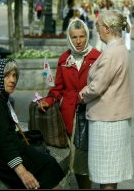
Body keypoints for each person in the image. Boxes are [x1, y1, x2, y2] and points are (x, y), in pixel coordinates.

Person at [0, 58, 65, 189]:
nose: (13, 80)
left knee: (45, 160)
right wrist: (22, 172)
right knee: (44, 166)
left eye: (14, 76)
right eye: (7, 75)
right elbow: (4, 140)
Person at [38, 19, 101, 189]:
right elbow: (57, 89)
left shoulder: (97, 57)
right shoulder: (64, 59)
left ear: (87, 36)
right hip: (68, 118)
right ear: (69, 38)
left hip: (88, 116)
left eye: (82, 36)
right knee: (71, 161)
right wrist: (48, 100)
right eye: (74, 37)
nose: (78, 41)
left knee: (82, 165)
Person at [79, 9, 133, 189]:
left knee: (105, 173)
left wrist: (83, 94)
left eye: (98, 26)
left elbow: (98, 86)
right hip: (116, 115)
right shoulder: (119, 48)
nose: (97, 30)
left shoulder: (111, 53)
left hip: (106, 119)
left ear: (108, 28)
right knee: (111, 173)